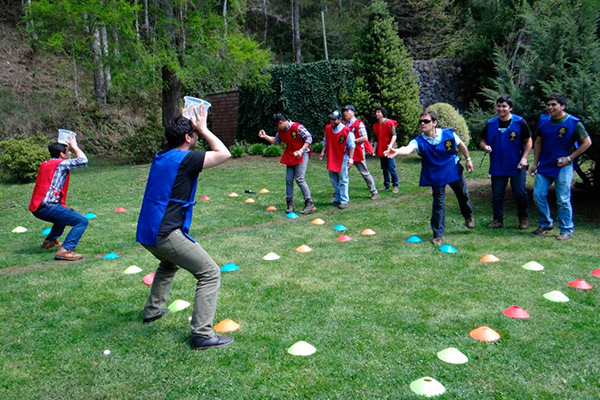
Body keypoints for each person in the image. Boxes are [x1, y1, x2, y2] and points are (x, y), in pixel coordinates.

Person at [136, 106, 233, 350]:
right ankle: (201, 334)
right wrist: (204, 128)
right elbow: (224, 153)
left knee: (168, 263)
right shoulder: (186, 159)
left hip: (148, 233)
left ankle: (152, 311)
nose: (198, 137)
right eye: (195, 134)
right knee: (210, 273)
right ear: (189, 138)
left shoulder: (162, 156)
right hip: (165, 233)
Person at [385, 110, 475, 245]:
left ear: (434, 123)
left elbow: (461, 145)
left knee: (463, 195)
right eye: (421, 121)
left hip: (452, 169)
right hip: (436, 174)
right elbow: (408, 148)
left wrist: (468, 159)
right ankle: (437, 234)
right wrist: (397, 151)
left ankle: (468, 216)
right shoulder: (419, 140)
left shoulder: (448, 134)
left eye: (426, 121)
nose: (422, 123)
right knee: (438, 203)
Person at [529, 93, 592, 241]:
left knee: (563, 199)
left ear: (562, 106)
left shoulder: (573, 123)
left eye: (553, 105)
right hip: (545, 165)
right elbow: (538, 142)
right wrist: (535, 163)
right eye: (548, 105)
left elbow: (587, 142)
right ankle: (546, 223)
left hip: (563, 167)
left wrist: (569, 158)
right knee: (538, 195)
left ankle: (566, 229)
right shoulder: (544, 122)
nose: (549, 107)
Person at [29, 135, 89, 261]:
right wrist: (75, 146)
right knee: (81, 221)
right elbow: (83, 160)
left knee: (61, 217)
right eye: (68, 151)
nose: (70, 153)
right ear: (62, 154)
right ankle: (65, 250)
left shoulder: (46, 164)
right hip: (48, 207)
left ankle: (50, 241)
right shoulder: (60, 165)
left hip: (38, 207)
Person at [480, 95, 533, 229]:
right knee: (497, 195)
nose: (501, 109)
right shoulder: (491, 123)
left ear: (510, 108)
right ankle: (497, 220)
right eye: (498, 106)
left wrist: (524, 158)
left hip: (516, 165)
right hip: (498, 165)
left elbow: (528, 142)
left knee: (520, 193)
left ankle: (523, 217)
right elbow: (482, 140)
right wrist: (484, 147)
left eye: (504, 106)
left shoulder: (520, 123)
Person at [258, 113, 316, 214]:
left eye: (277, 125)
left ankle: (309, 203)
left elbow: (309, 138)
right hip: (290, 154)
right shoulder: (281, 130)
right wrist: (265, 136)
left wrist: (301, 151)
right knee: (289, 179)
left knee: (299, 178)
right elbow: (276, 141)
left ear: (280, 122)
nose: (277, 128)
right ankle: (290, 204)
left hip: (302, 153)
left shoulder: (297, 127)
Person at [320, 110, 355, 210]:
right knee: (333, 179)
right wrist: (323, 152)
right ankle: (337, 198)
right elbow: (325, 141)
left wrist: (351, 159)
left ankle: (344, 200)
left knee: (343, 179)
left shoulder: (346, 131)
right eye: (331, 119)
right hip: (331, 156)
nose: (332, 121)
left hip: (342, 158)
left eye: (334, 120)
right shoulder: (328, 129)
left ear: (340, 119)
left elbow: (351, 146)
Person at [343, 105, 379, 200]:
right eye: (344, 111)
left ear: (353, 112)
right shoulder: (344, 124)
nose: (345, 113)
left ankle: (374, 191)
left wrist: (352, 141)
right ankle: (339, 192)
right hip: (347, 152)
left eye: (347, 111)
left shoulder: (359, 124)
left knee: (364, 172)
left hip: (358, 151)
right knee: (343, 172)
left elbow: (364, 138)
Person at [372, 106, 399, 193]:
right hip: (381, 149)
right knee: (384, 168)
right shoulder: (375, 125)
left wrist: (390, 145)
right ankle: (386, 185)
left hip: (390, 149)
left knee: (391, 167)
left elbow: (394, 135)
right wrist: (374, 149)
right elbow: (376, 139)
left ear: (383, 113)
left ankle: (395, 185)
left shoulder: (389, 123)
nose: (377, 113)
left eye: (379, 112)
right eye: (376, 112)